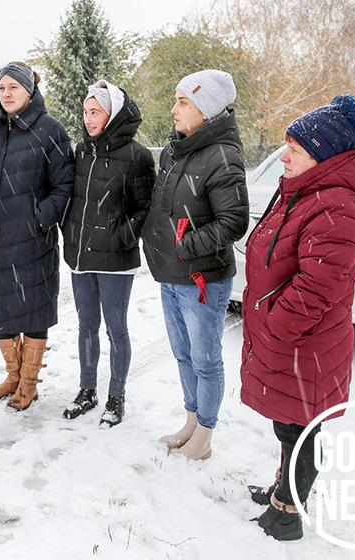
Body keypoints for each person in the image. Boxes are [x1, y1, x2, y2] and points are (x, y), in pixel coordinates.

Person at [241, 94, 355, 541]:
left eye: (295, 149)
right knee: (289, 423)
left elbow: (320, 285)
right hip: (292, 339)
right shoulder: (302, 191)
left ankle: (287, 513)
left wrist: (276, 327)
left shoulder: (336, 205)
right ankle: (282, 487)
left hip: (306, 343)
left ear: (322, 155)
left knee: (304, 429)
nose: (284, 154)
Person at [142, 69, 249, 460]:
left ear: (206, 109)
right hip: (171, 274)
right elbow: (162, 206)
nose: (174, 109)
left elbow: (234, 221)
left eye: (183, 102)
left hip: (203, 278)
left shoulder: (223, 155)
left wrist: (185, 247)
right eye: (176, 100)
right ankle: (191, 419)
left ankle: (204, 433)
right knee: (183, 354)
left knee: (205, 359)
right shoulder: (176, 149)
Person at [0, 61, 74, 411]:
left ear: (30, 91)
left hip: (30, 238)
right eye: (2, 87)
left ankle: (28, 383)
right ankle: (12, 374)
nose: (6, 94)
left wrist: (39, 219)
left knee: (33, 309)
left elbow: (64, 186)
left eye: (14, 87)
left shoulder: (51, 130)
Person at [60, 80, 155, 427]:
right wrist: (69, 231)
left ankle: (116, 396)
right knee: (86, 326)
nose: (88, 118)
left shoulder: (138, 156)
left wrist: (120, 237)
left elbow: (146, 208)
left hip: (116, 259)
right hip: (81, 257)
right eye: (85, 112)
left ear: (112, 113)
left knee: (116, 328)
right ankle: (88, 390)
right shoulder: (82, 151)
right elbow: (72, 198)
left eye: (95, 112)